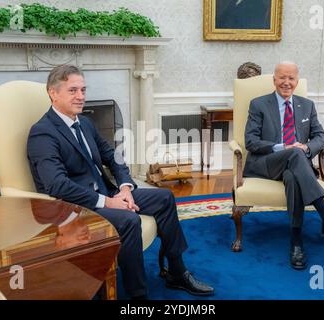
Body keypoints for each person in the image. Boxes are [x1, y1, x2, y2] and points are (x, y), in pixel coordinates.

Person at [27, 64, 214, 299]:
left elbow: (113, 157)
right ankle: (137, 295)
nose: (81, 96)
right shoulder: (42, 133)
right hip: (75, 207)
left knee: (164, 198)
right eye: (73, 90)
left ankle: (177, 272)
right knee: (127, 220)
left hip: (108, 192)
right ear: (53, 93)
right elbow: (57, 185)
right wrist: (107, 202)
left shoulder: (84, 123)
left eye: (83, 90)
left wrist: (125, 188)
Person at [243, 61, 324, 270]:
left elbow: (321, 136)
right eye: (282, 77)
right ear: (274, 80)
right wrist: (285, 147)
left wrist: (306, 148)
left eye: (291, 78)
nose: (286, 82)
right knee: (295, 154)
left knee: (292, 176)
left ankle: (296, 242)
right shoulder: (258, 104)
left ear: (297, 81)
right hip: (266, 163)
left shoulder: (307, 105)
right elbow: (251, 142)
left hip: (296, 166)